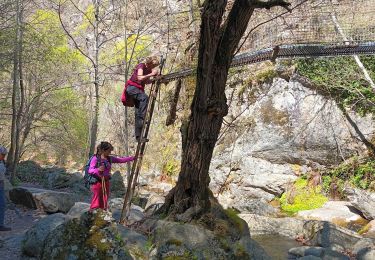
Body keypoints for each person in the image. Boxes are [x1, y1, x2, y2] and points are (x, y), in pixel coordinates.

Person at [121, 56, 160, 142]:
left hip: (138, 89)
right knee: (144, 98)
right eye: (152, 66)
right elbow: (140, 77)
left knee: (138, 111)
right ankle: (142, 117)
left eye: (153, 67)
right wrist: (151, 74)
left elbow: (146, 81)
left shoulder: (149, 70)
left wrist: (155, 78)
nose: (152, 68)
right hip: (132, 88)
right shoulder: (141, 66)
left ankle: (139, 137)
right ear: (149, 63)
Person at [88, 142, 136, 210]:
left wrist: (133, 158)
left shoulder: (109, 158)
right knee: (97, 198)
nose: (110, 152)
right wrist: (97, 169)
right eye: (109, 151)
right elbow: (90, 170)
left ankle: (102, 213)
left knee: (105, 198)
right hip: (97, 183)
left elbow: (121, 160)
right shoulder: (95, 158)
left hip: (106, 181)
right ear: (103, 150)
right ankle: (93, 214)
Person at [0, 145, 11, 231]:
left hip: (1, 186)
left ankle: (1, 225)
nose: (3, 156)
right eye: (2, 154)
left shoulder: (2, 162)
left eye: (4, 154)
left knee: (2, 205)